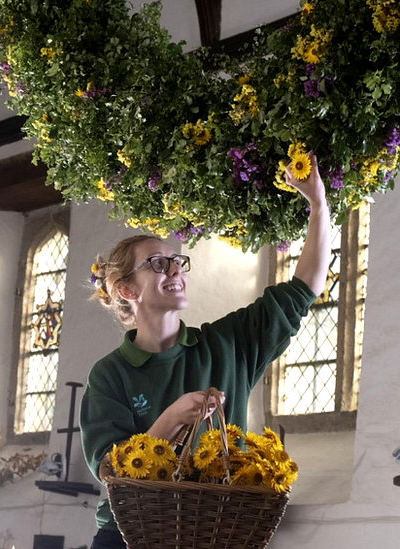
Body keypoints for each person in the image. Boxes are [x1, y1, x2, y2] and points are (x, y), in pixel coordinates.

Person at [79, 153, 331, 549]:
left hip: (216, 530)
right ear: (128, 290)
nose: (175, 270)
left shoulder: (229, 344)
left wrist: (318, 203)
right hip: (129, 535)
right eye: (158, 264)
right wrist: (172, 418)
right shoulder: (110, 375)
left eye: (177, 262)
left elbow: (307, 285)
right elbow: (110, 469)